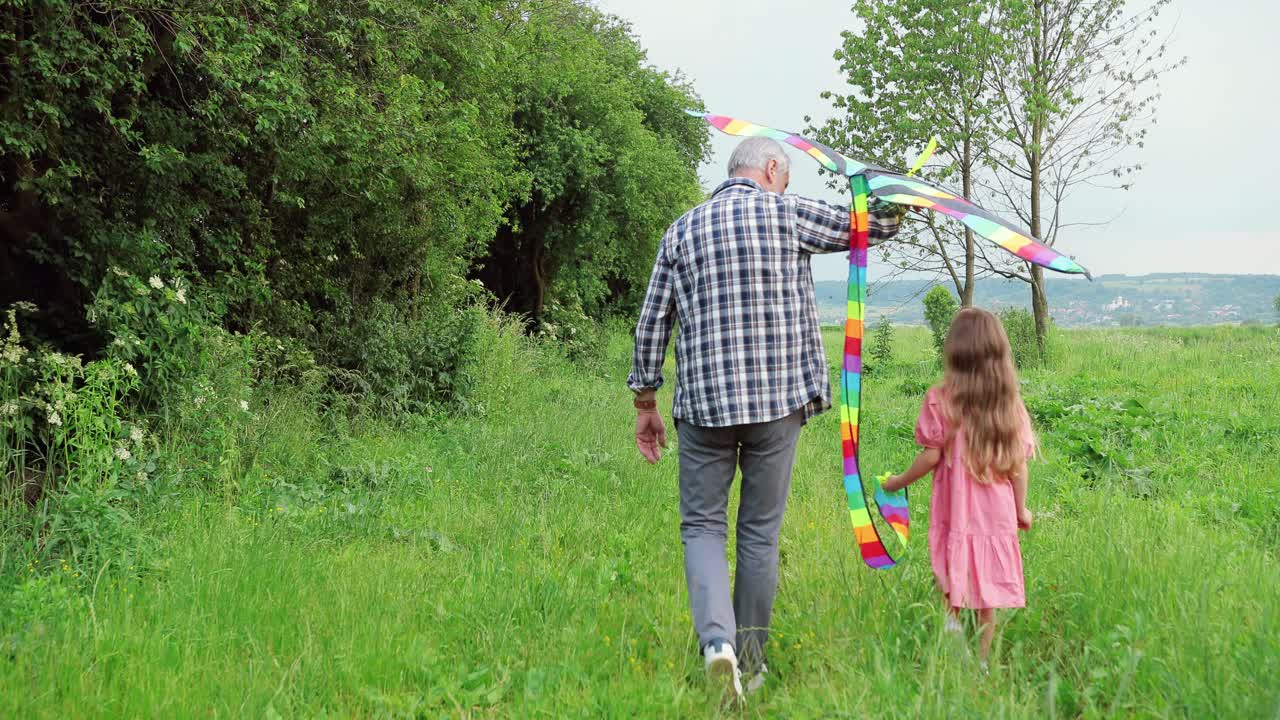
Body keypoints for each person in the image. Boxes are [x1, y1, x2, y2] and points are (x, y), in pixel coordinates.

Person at [627, 136, 902, 699]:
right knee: (759, 531)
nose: (786, 183)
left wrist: (645, 402)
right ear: (772, 168)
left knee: (702, 526)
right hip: (778, 405)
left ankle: (716, 645)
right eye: (787, 174)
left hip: (703, 405)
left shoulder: (681, 231)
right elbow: (870, 224)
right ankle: (751, 663)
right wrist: (895, 193)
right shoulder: (788, 213)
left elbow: (652, 322)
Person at [881, 307, 1036, 666]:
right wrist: (1020, 509)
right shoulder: (1009, 405)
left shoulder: (941, 399)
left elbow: (931, 457)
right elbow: (1018, 467)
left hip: (956, 512)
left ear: (954, 351)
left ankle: (954, 637)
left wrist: (898, 482)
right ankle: (981, 664)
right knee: (987, 602)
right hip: (996, 517)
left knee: (948, 578)